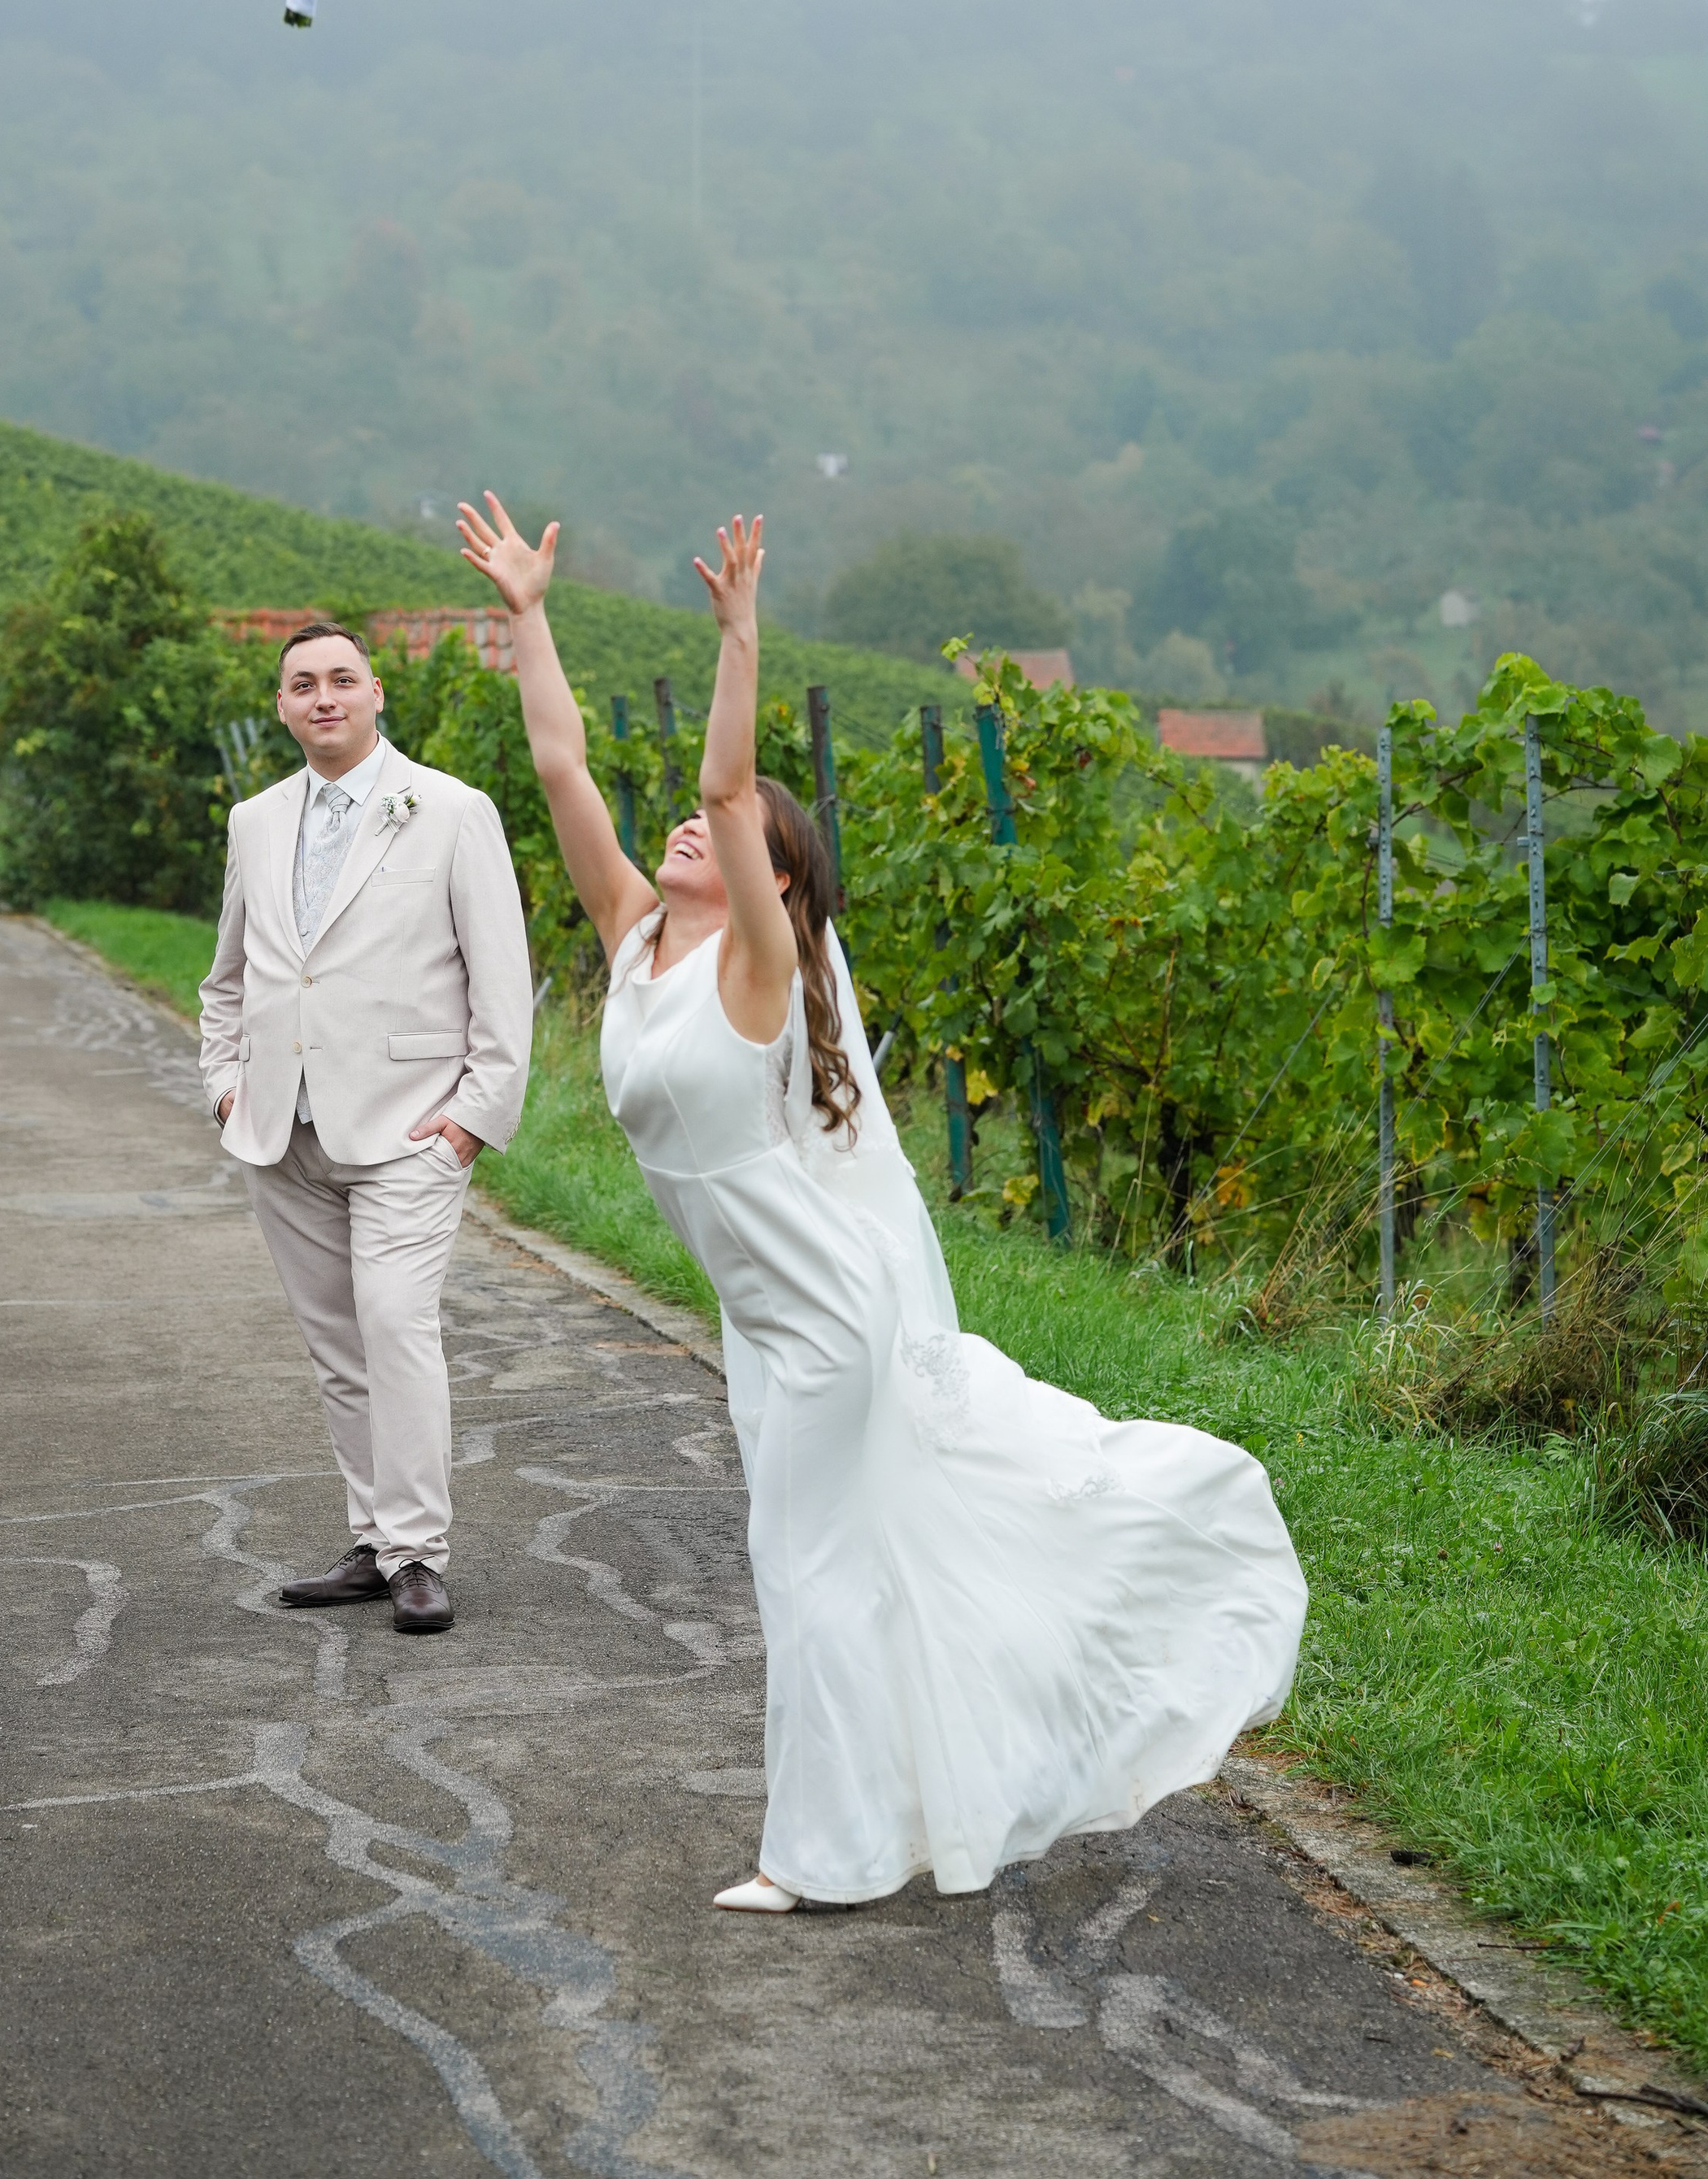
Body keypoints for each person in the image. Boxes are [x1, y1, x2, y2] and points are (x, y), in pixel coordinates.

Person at [457, 494, 1308, 1910]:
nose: (683, 822)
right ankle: (879, 1810)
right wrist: (531, 618)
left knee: (809, 1574)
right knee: (824, 1564)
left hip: (827, 1321)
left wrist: (739, 636)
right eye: (676, 821)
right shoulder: (635, 942)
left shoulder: (757, 976)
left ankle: (824, 1859)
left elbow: (731, 791)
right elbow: (562, 768)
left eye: (731, 836)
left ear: (772, 882)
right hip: (760, 1318)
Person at [200, 617, 533, 1634]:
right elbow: (229, 975)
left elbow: (502, 978)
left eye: (342, 679)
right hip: (281, 1129)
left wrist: (473, 1119)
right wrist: (225, 1080)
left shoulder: (448, 809)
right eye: (303, 684)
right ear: (282, 705)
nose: (324, 697)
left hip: (409, 1131)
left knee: (396, 1327)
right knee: (337, 1344)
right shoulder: (254, 821)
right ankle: (372, 1539)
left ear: (377, 692)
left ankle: (420, 1553)